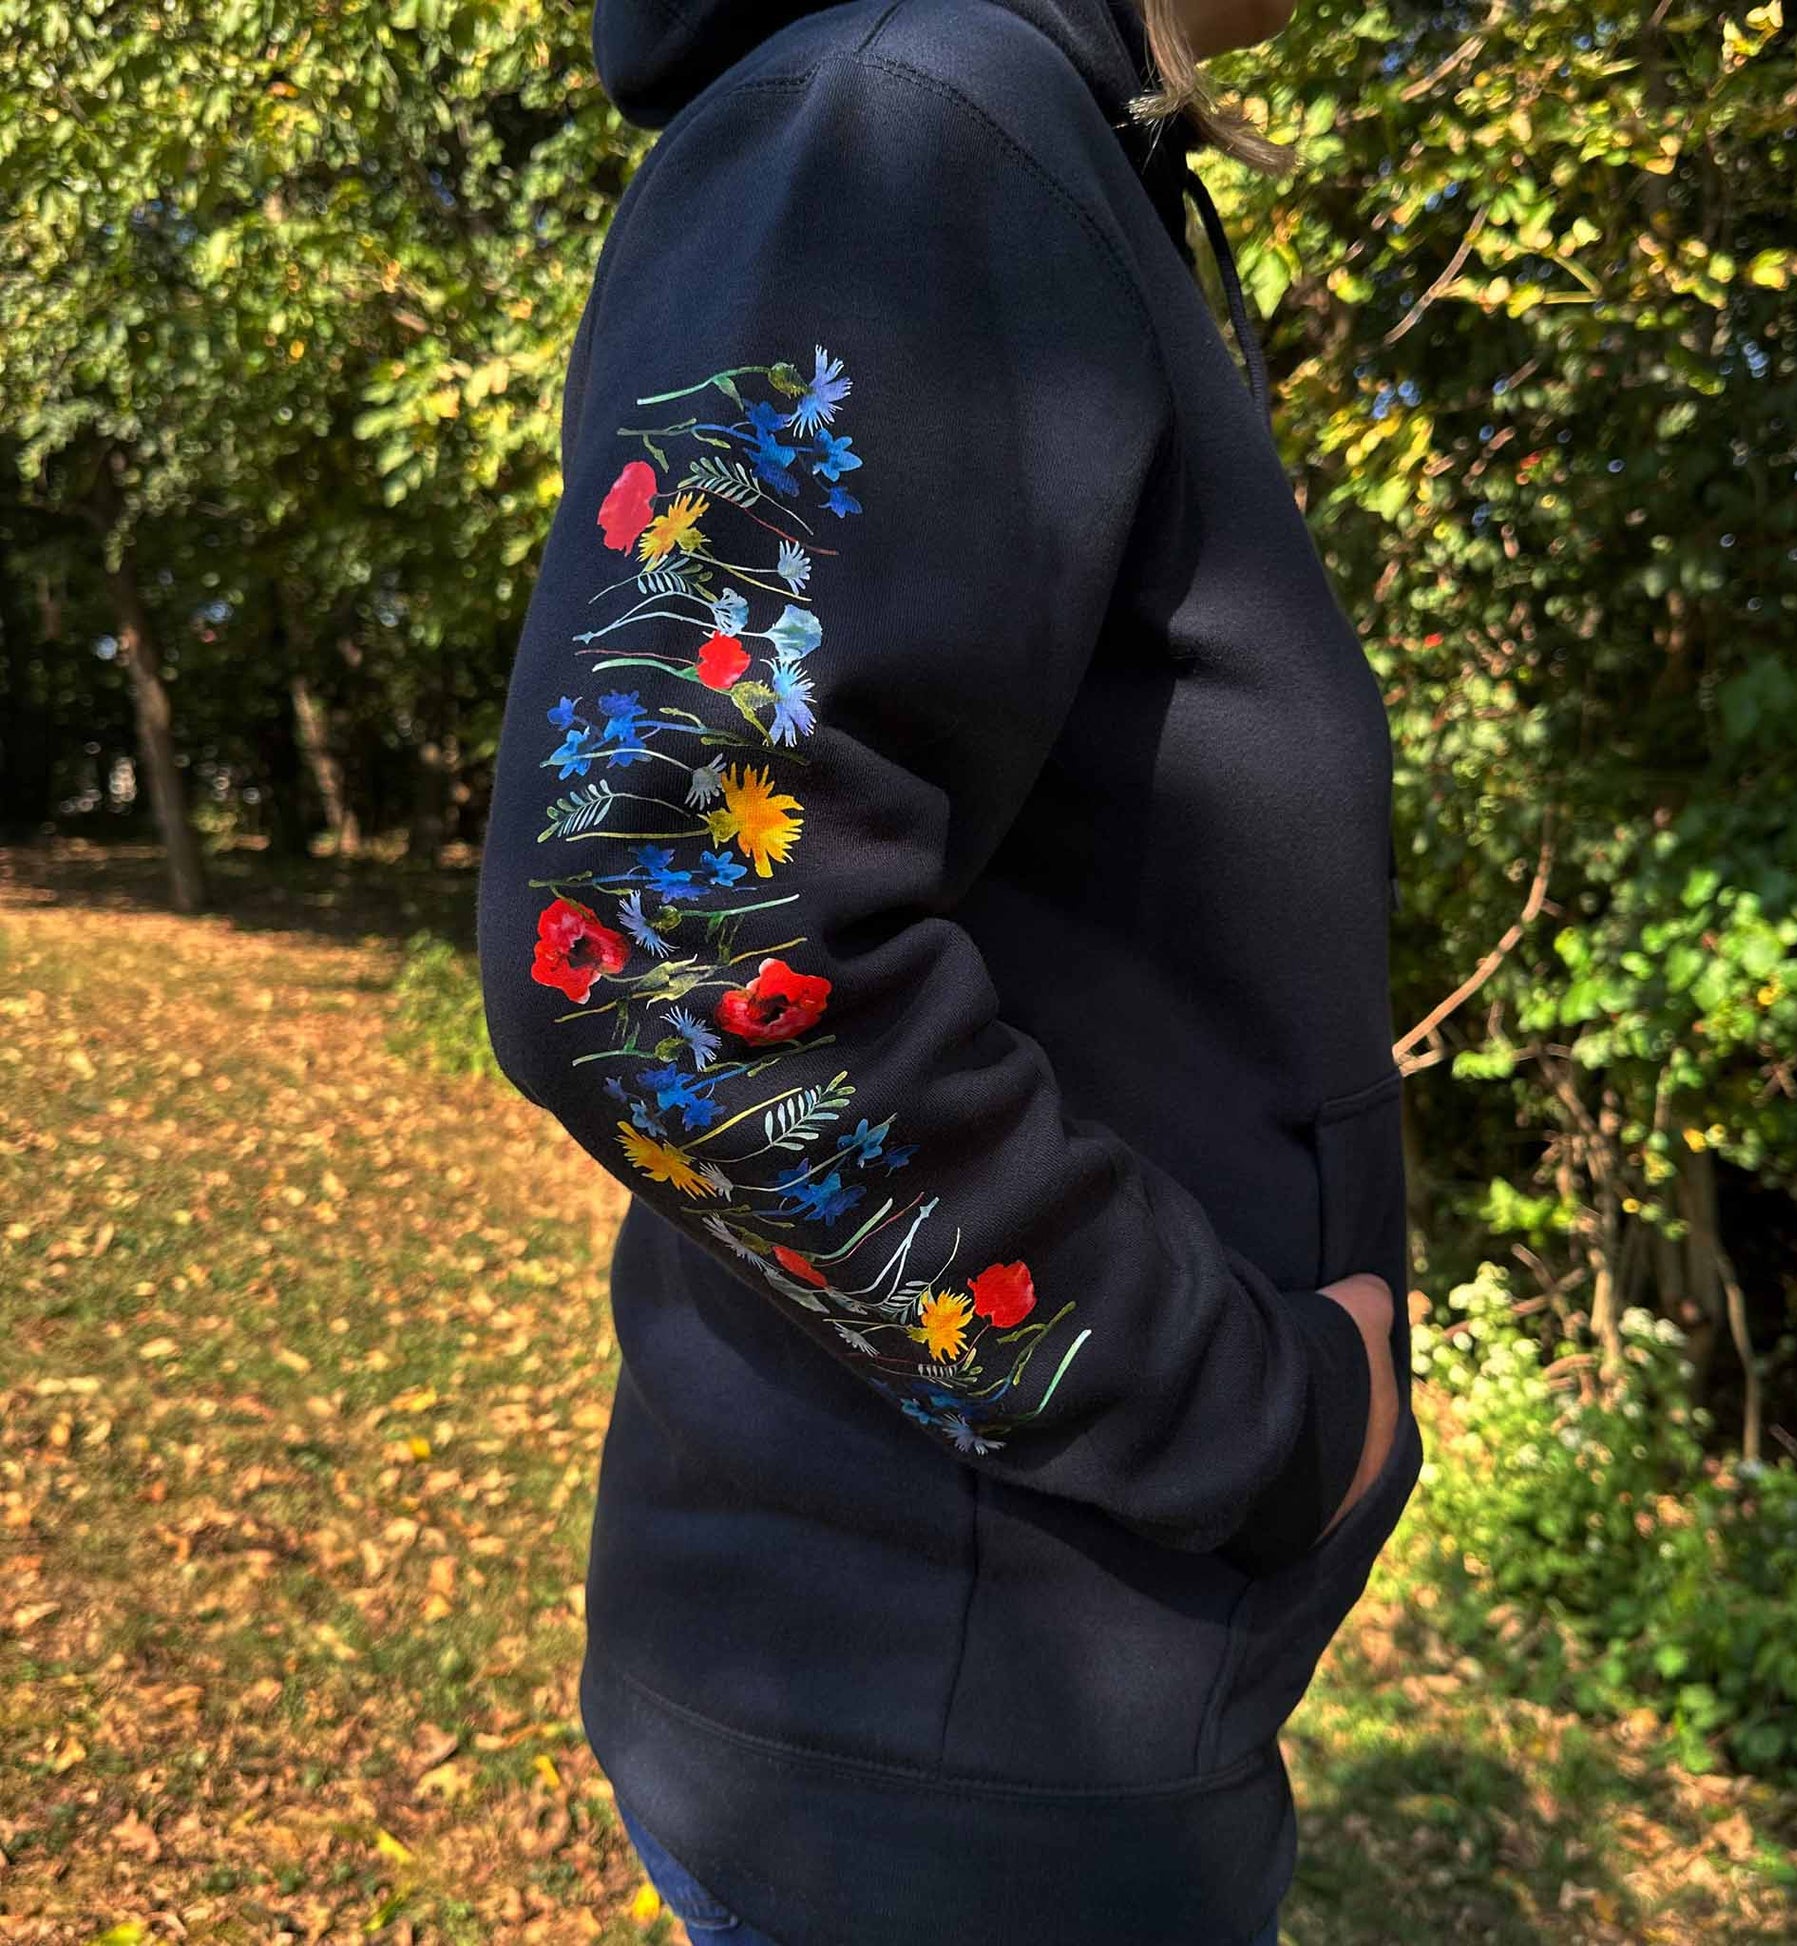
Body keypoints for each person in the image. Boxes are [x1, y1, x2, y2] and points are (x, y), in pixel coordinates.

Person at [475, 0, 1423, 1939]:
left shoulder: (997, 139)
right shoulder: (904, 124)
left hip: (995, 1719)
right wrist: (1277, 1421)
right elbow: (660, 943)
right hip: (942, 1772)